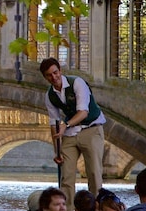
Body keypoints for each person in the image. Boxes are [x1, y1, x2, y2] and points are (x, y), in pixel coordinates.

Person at [39, 57, 107, 203]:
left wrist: (66, 125)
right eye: (49, 75)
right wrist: (57, 151)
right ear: (44, 77)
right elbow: (54, 124)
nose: (54, 77)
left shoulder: (77, 83)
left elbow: (83, 112)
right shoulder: (49, 96)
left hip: (91, 128)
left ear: (60, 71)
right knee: (66, 175)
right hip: (70, 133)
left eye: (55, 73)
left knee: (94, 173)